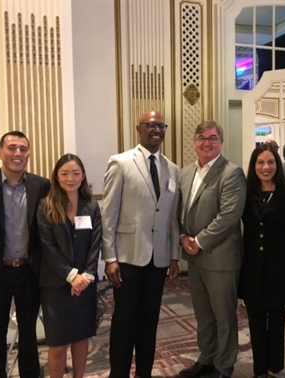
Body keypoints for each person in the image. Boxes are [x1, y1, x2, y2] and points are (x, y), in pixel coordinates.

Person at [101, 110, 180, 378]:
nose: (156, 129)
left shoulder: (173, 169)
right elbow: (108, 214)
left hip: (158, 259)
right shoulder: (121, 162)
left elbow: (171, 217)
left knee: (149, 323)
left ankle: (144, 373)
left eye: (161, 125)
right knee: (124, 322)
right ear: (139, 128)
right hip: (127, 257)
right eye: (151, 125)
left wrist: (173, 256)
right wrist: (109, 257)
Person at [0, 131, 50, 378]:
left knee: (29, 332)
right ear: (0, 153)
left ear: (28, 154)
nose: (18, 153)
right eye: (12, 148)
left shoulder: (41, 185)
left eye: (23, 149)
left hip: (29, 270)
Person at [178, 121, 247, 378]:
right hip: (194, 258)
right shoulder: (185, 173)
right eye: (201, 138)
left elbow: (229, 215)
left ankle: (224, 365)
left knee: (224, 316)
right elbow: (180, 211)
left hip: (220, 258)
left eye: (212, 138)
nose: (206, 143)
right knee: (203, 314)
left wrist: (199, 241)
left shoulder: (232, 173)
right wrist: (183, 236)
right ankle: (207, 358)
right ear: (194, 142)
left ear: (221, 142)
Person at [37, 154, 101, 378]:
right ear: (56, 176)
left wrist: (86, 276)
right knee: (58, 342)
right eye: (64, 173)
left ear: (83, 176)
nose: (70, 178)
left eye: (75, 173)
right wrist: (71, 276)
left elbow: (95, 245)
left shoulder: (91, 207)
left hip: (85, 284)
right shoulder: (46, 206)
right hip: (56, 285)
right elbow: (48, 246)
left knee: (81, 337)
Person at [239, 143, 285, 378]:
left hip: (280, 265)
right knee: (254, 320)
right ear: (254, 165)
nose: (266, 167)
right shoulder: (245, 191)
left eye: (271, 162)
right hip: (252, 265)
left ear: (278, 164)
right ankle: (258, 370)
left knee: (276, 320)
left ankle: (274, 368)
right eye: (260, 162)